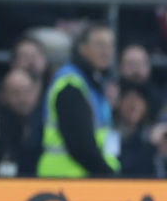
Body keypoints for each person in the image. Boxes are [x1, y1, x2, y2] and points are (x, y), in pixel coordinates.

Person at [37, 24, 119, 177]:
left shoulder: (94, 84)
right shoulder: (71, 85)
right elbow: (80, 146)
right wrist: (109, 176)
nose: (106, 51)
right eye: (99, 44)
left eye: (110, 45)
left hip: (83, 179)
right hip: (68, 181)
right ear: (82, 48)